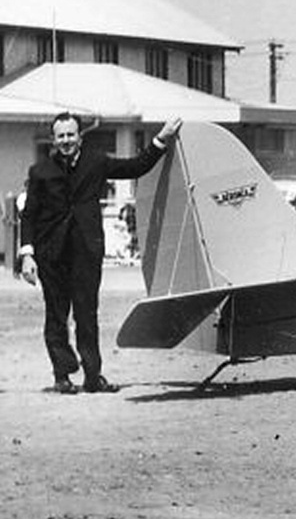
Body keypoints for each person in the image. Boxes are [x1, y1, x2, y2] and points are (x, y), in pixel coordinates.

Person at [19, 112, 182, 394]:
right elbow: (29, 216)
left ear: (79, 136)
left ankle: (93, 377)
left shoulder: (96, 162)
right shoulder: (39, 172)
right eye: (61, 136)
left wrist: (160, 140)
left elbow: (136, 166)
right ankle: (62, 376)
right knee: (56, 316)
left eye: (71, 134)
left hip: (86, 252)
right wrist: (27, 255)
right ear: (53, 139)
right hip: (51, 256)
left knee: (87, 315)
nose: (66, 140)